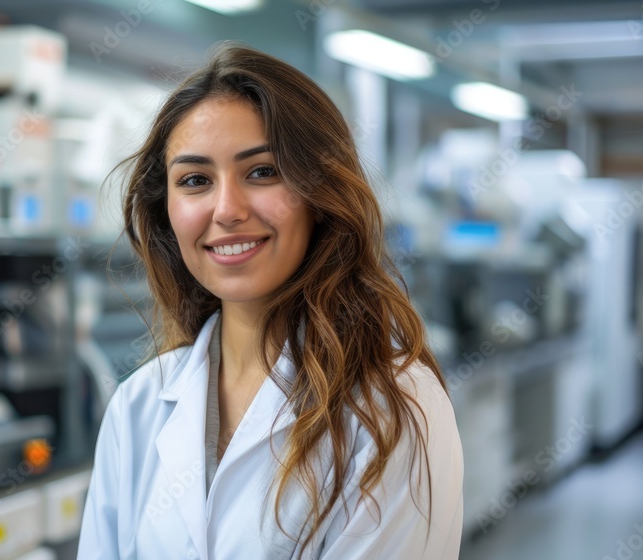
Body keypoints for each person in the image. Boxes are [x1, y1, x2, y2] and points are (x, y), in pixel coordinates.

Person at [78, 42, 463, 560]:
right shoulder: (139, 406)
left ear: (320, 194)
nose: (227, 209)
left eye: (262, 172)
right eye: (195, 181)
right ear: (166, 210)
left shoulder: (390, 407)